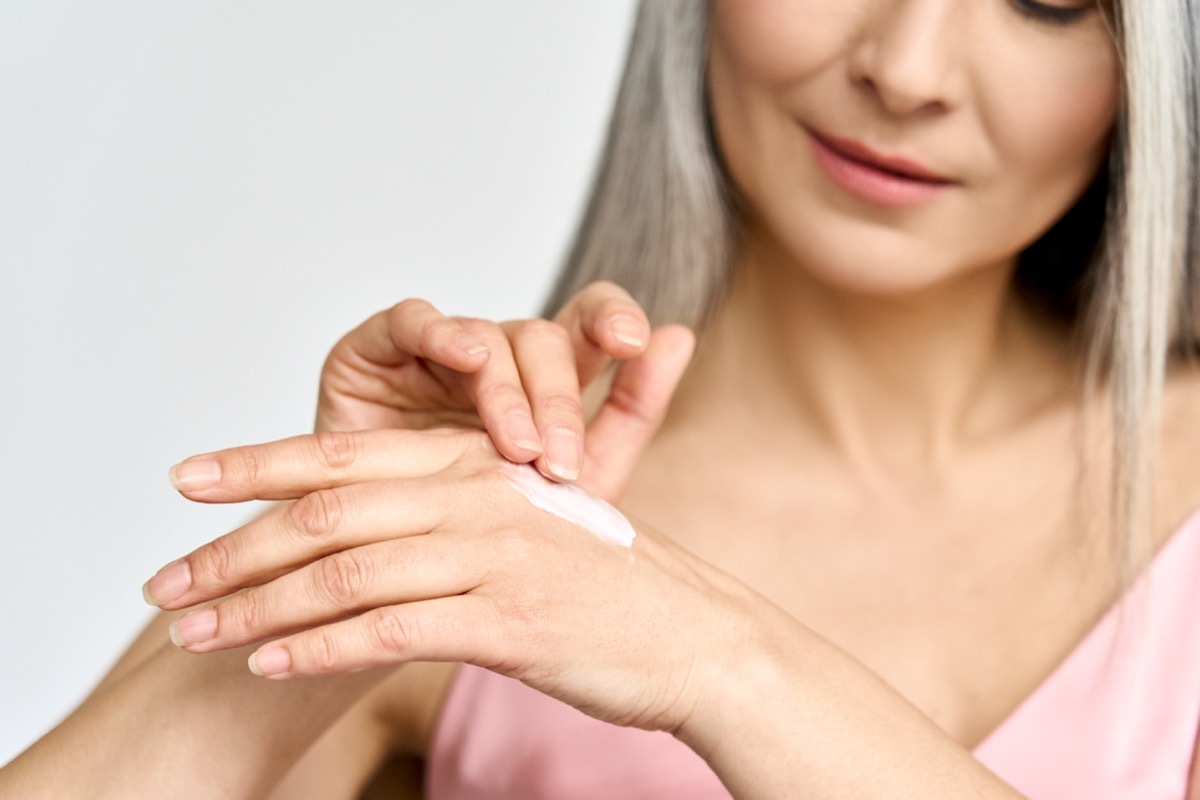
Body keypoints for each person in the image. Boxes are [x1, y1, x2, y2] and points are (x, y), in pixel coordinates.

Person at [4, 0, 1200, 797]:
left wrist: (724, 659)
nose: (907, 68)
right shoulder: (503, 528)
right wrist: (332, 574)